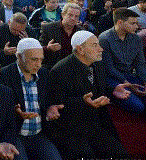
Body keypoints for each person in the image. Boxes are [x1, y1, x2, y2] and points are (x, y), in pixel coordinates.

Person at [48, 30, 130, 159]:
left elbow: (99, 89)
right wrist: (83, 101)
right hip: (73, 129)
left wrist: (113, 90)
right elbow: (57, 104)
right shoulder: (60, 71)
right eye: (95, 45)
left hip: (97, 126)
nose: (101, 49)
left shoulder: (97, 64)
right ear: (80, 49)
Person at [0, 38, 62, 160]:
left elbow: (49, 98)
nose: (38, 64)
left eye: (41, 60)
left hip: (39, 135)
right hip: (15, 135)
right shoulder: (4, 76)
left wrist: (51, 108)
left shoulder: (43, 74)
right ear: (19, 56)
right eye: (34, 59)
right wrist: (15, 113)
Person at [99, 7, 146, 114]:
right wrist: (129, 85)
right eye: (133, 23)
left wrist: (145, 82)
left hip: (130, 76)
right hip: (112, 79)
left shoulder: (136, 38)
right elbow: (109, 68)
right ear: (120, 22)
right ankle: (112, 96)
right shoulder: (105, 39)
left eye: (136, 23)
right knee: (138, 107)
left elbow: (140, 63)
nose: (137, 26)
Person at [39, 3, 81, 69]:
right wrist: (48, 48)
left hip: (74, 69)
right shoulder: (48, 28)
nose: (73, 18)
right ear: (63, 15)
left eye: (76, 16)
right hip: (53, 68)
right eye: (70, 15)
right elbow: (38, 50)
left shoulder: (81, 32)